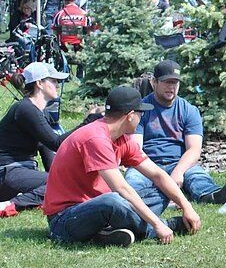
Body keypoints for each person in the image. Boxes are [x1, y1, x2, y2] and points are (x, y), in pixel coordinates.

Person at [44, 85, 202, 247]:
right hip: (64, 219)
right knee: (112, 201)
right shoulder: (96, 138)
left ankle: (107, 232)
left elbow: (158, 175)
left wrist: (186, 206)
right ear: (130, 116)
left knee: (160, 190)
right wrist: (157, 224)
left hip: (97, 207)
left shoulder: (121, 138)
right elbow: (120, 188)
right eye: (140, 113)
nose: (142, 117)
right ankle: (164, 227)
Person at [125, 61, 226, 206]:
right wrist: (156, 174)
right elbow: (135, 149)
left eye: (175, 83)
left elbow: (194, 149)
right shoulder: (141, 109)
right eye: (166, 82)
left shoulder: (189, 110)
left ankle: (212, 196)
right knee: (134, 181)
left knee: (198, 177)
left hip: (179, 162)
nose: (172, 87)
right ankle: (145, 200)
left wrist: (178, 172)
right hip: (147, 163)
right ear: (154, 82)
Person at [0, 63, 70, 213]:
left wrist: (57, 173)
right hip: (0, 177)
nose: (57, 85)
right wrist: (88, 122)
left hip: (13, 174)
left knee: (65, 182)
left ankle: (25, 197)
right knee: (62, 185)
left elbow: (45, 146)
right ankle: (11, 204)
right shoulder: (25, 109)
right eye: (53, 80)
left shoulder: (41, 112)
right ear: (39, 83)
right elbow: (56, 143)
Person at [53, 0, 91, 78]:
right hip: (79, 48)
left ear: (64, 1)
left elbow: (55, 32)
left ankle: (64, 71)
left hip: (64, 48)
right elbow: (88, 31)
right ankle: (80, 72)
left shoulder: (59, 14)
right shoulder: (83, 13)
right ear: (75, 0)